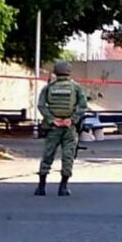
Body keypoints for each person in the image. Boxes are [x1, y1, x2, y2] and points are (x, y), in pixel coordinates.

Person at [35, 61, 88, 197]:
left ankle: (41, 187)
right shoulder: (76, 87)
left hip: (53, 127)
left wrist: (52, 119)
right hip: (69, 127)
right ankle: (63, 187)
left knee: (48, 155)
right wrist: (72, 119)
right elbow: (82, 106)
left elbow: (41, 105)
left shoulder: (48, 88)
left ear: (55, 72)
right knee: (68, 156)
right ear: (69, 72)